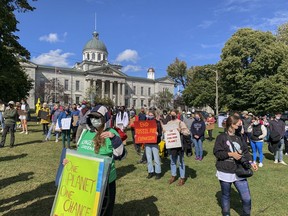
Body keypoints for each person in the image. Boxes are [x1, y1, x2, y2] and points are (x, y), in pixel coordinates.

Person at [63, 105, 126, 216]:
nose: (94, 120)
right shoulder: (86, 132)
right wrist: (69, 161)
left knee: (103, 210)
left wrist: (113, 138)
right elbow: (79, 152)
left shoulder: (111, 133)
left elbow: (121, 155)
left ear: (105, 119)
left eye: (98, 117)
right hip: (85, 180)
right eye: (92, 117)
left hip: (104, 182)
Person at [213, 115, 258, 216]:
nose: (240, 125)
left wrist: (252, 162)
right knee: (226, 196)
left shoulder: (240, 137)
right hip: (225, 170)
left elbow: (246, 152)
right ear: (232, 125)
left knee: (246, 198)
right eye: (238, 124)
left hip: (240, 170)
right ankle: (226, 214)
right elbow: (217, 153)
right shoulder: (221, 137)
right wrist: (231, 154)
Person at [166, 110, 190, 186]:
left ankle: (182, 178)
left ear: (177, 114)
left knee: (181, 161)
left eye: (174, 113)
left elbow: (187, 132)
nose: (172, 114)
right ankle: (173, 176)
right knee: (172, 161)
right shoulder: (169, 123)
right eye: (171, 113)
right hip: (172, 145)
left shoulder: (180, 122)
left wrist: (181, 130)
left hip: (179, 145)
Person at [143, 111, 162, 180]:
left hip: (154, 143)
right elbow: (142, 131)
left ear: (154, 116)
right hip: (147, 143)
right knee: (149, 159)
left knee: (156, 158)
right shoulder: (145, 123)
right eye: (149, 115)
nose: (150, 116)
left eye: (151, 115)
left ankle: (158, 172)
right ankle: (150, 172)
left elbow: (160, 133)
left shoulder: (157, 122)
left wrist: (158, 134)